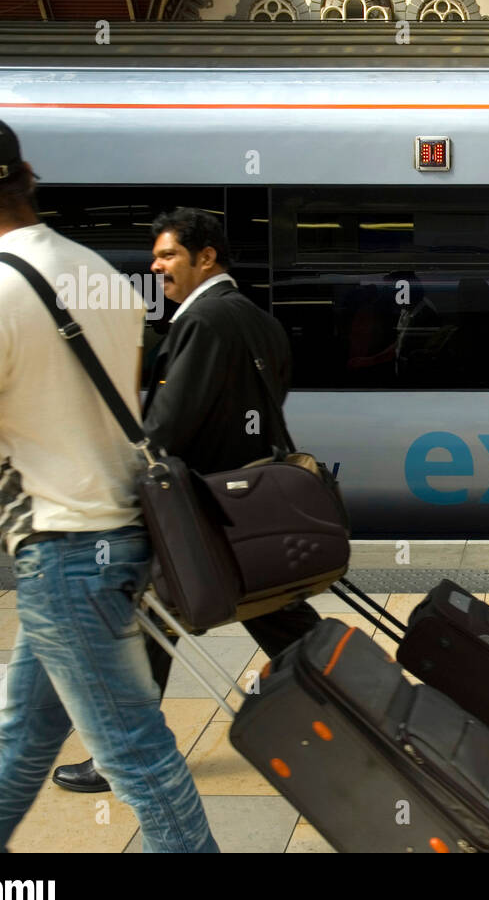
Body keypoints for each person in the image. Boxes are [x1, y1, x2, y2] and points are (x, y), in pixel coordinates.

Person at [0, 112, 217, 852]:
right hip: (116, 534)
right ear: (27, 180)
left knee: (136, 755)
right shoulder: (101, 276)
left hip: (66, 549)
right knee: (24, 732)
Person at [51, 208, 322, 794]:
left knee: (154, 621)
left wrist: (120, 479)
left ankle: (124, 759)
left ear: (207, 257)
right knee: (281, 615)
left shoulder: (203, 322)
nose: (156, 265)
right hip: (248, 505)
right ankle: (363, 699)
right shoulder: (258, 319)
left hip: (198, 510)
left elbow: (170, 428)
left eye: (168, 254)